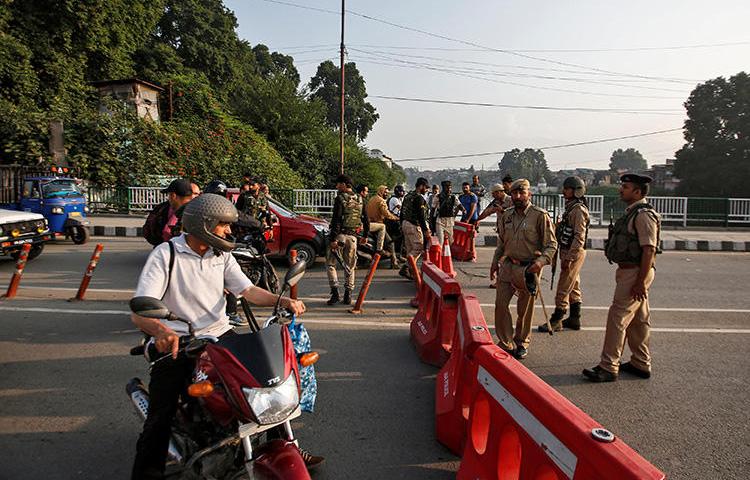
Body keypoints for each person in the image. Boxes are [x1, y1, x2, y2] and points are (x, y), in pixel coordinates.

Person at [130, 194, 322, 479]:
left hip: (220, 335)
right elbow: (140, 311)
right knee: (161, 416)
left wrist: (282, 302)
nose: (229, 231)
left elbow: (248, 291)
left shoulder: (222, 255)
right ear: (204, 224)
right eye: (223, 225)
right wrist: (162, 331)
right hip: (179, 340)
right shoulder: (166, 254)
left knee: (265, 384)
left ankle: (284, 445)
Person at [583, 174, 661, 382]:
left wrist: (639, 282)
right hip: (630, 271)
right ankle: (640, 362)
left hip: (635, 272)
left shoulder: (643, 215)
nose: (621, 190)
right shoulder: (633, 213)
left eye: (625, 187)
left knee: (617, 317)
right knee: (638, 319)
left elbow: (649, 250)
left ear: (637, 192)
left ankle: (608, 366)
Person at [490, 179, 557, 360]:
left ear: (530, 194)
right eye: (514, 193)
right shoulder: (507, 215)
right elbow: (502, 243)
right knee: (500, 305)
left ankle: (521, 342)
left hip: (528, 269)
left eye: (522, 192)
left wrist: (541, 262)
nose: (518, 196)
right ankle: (506, 342)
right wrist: (495, 263)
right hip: (508, 266)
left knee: (524, 310)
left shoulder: (540, 216)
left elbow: (551, 245)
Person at [538, 176, 590, 333]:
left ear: (577, 191)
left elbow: (579, 236)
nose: (564, 191)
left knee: (563, 286)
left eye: (567, 189)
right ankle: (575, 318)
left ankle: (557, 319)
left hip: (573, 252)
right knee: (573, 285)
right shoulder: (572, 208)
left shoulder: (579, 210)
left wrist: (569, 258)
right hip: (567, 250)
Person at [326, 174, 369, 306]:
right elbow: (366, 219)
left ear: (345, 184)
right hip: (353, 238)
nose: (337, 186)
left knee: (331, 264)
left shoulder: (340, 198)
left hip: (340, 236)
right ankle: (348, 295)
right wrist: (365, 236)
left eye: (338, 184)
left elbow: (336, 220)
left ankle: (335, 293)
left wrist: (333, 238)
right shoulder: (360, 199)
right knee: (350, 266)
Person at [142, 179, 197, 247]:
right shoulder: (197, 209)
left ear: (173, 196)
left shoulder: (177, 211)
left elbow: (166, 232)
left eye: (169, 195)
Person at [399, 177, 431, 278]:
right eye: (426, 188)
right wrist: (425, 230)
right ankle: (406, 267)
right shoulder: (419, 198)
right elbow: (421, 216)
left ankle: (412, 271)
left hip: (405, 223)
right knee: (418, 248)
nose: (426, 190)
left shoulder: (408, 196)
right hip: (413, 225)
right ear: (421, 186)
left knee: (410, 249)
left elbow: (402, 212)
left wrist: (401, 224)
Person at [477, 184, 507, 288]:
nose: (493, 196)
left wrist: (502, 210)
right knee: (497, 257)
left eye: (494, 194)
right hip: (502, 235)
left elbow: (517, 214)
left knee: (507, 260)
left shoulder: (511, 200)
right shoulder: (496, 202)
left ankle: (511, 282)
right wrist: (477, 220)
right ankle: (499, 281)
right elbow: (487, 211)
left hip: (513, 236)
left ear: (499, 192)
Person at [367, 185, 401, 269]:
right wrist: (396, 218)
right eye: (385, 192)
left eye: (387, 193)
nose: (386, 194)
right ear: (381, 191)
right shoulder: (381, 201)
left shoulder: (372, 199)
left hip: (370, 223)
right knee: (390, 242)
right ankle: (394, 262)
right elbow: (386, 214)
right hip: (378, 224)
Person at [433, 180, 463, 244]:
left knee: (450, 241)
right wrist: (431, 222)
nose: (449, 189)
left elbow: (459, 205)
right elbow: (433, 210)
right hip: (440, 221)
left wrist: (464, 210)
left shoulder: (453, 197)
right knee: (440, 241)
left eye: (450, 187)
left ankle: (447, 253)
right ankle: (440, 253)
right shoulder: (437, 197)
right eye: (447, 187)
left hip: (450, 221)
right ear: (443, 188)